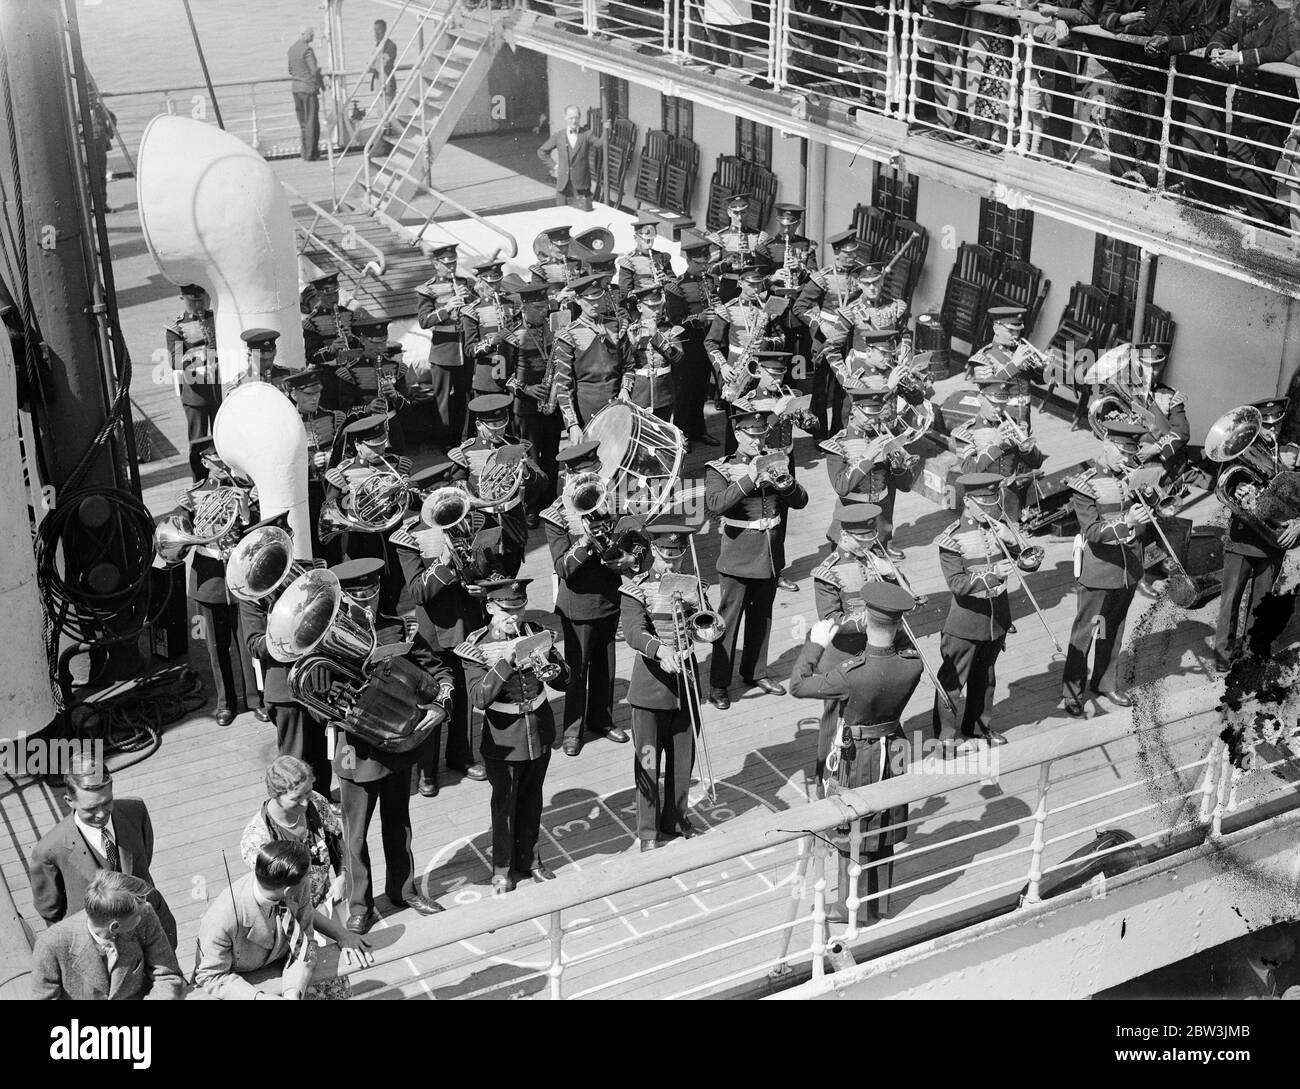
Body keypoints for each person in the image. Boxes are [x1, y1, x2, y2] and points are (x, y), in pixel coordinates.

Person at [330, 559, 453, 932]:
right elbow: (317, 695)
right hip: (357, 750)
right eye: (357, 596)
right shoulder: (330, 637)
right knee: (355, 836)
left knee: (399, 823)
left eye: (371, 594)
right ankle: (358, 904)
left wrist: (438, 704)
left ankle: (403, 890)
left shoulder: (400, 628)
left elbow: (440, 671)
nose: (366, 603)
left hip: (399, 743)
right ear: (345, 597)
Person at [789, 584, 923, 923]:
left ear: (864, 618)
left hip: (858, 754)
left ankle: (855, 908)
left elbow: (798, 684)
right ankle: (879, 902)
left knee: (854, 828)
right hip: (894, 745)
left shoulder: (850, 675)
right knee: (885, 822)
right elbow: (899, 644)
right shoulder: (912, 665)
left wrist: (815, 644)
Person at [457, 576, 572, 893]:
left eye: (519, 609)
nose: (515, 618)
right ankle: (502, 869)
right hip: (503, 738)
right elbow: (478, 698)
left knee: (533, 800)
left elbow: (565, 679)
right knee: (504, 806)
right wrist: (505, 663)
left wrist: (555, 671)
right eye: (508, 611)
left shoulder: (535, 633)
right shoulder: (476, 646)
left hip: (537, 729)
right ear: (490, 606)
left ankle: (531, 861)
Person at [392, 467, 493, 793]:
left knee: (463, 695)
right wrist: (445, 564)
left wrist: (483, 583)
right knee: (432, 696)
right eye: (437, 495)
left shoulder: (473, 521)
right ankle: (427, 770)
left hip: (469, 621)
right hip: (434, 630)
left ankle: (462, 755)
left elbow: (489, 566)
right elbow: (418, 591)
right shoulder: (408, 537)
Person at [705, 407, 810, 708]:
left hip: (770, 553)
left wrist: (788, 485)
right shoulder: (720, 469)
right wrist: (750, 478)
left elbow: (800, 502)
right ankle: (718, 683)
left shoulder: (778, 459)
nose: (758, 442)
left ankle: (755, 671)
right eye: (752, 437)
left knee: (761, 617)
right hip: (738, 555)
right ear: (738, 435)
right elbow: (715, 505)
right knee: (727, 621)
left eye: (761, 435)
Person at [618, 520, 709, 851]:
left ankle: (676, 817)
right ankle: (646, 832)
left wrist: (700, 614)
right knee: (648, 761)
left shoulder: (692, 584)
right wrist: (661, 651)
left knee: (682, 759)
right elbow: (633, 631)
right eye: (665, 556)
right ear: (654, 550)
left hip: (685, 683)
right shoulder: (636, 588)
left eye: (677, 556)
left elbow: (709, 626)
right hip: (650, 688)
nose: (671, 563)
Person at [541, 441, 633, 757]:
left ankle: (602, 720)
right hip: (577, 604)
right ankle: (573, 731)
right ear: (570, 476)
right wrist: (586, 540)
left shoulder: (612, 499)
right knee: (576, 672)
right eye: (583, 475)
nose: (591, 481)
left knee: (606, 665)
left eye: (594, 473)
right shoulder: (556, 514)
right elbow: (562, 567)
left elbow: (634, 539)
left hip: (609, 594)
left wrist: (627, 557)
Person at [29, 757, 177, 949]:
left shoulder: (135, 811)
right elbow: (50, 911)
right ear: (69, 801)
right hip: (99, 946)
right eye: (90, 808)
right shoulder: (49, 851)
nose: (101, 814)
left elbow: (144, 859)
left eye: (107, 803)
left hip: (151, 930)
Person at [195, 841, 374, 999]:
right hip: (237, 984)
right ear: (288, 891)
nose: (310, 881)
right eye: (307, 877)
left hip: (282, 966)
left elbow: (304, 946)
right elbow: (210, 976)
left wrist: (293, 992)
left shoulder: (297, 887)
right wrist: (259, 998)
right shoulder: (222, 919)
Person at [1061, 422, 1152, 717]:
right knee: (1087, 632)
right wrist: (1127, 521)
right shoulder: (1084, 484)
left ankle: (1104, 682)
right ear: (1107, 444)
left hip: (1127, 569)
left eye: (1131, 454)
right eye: (1122, 453)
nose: (1127, 460)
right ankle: (1073, 692)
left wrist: (1150, 498)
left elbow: (1150, 511)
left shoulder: (1133, 475)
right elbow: (1093, 531)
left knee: (1113, 630)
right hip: (1100, 571)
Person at [238, 516, 333, 794]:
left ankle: (323, 807)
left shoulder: (309, 573)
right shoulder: (252, 594)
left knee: (323, 760)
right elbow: (254, 644)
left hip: (318, 682)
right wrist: (287, 628)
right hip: (285, 689)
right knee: (294, 766)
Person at [932, 472, 1018, 752]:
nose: (990, 509)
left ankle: (978, 727)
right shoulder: (952, 539)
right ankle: (945, 735)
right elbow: (957, 583)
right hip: (965, 622)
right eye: (984, 503)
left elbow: (1026, 560)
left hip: (995, 619)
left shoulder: (999, 527)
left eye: (993, 502)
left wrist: (1014, 540)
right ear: (968, 501)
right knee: (953, 681)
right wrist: (993, 574)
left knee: (986, 677)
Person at [1214, 397, 1300, 670]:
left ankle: (1252, 651)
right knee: (1230, 598)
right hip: (1243, 539)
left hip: (1275, 541)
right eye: (1267, 424)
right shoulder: (1237, 452)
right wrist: (1239, 492)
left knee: (1261, 601)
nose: (1271, 431)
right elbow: (1224, 483)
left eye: (1276, 422)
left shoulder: (1293, 453)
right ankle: (1223, 655)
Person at [182, 440, 261, 726]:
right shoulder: (191, 497)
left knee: (246, 641)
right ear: (204, 462)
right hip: (210, 576)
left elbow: (256, 531)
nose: (221, 465)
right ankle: (225, 703)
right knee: (216, 647)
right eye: (215, 460)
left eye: (224, 459)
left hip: (240, 571)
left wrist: (245, 511)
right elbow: (181, 535)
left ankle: (255, 700)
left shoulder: (243, 490)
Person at [31, 872, 185, 1001]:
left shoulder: (145, 914)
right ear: (115, 927)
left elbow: (167, 975)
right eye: (137, 915)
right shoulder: (50, 944)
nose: (145, 911)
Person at [449, 393, 544, 575]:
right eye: (492, 428)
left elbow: (542, 483)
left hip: (513, 525)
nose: (498, 432)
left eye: (502, 425)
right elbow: (458, 489)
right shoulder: (466, 452)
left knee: (510, 572)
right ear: (478, 425)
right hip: (482, 524)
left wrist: (525, 470)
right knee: (486, 576)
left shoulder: (516, 445)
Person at [820, 378, 915, 559]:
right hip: (852, 520)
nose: (874, 419)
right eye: (869, 414)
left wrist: (898, 467)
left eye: (877, 414)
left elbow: (905, 486)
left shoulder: (883, 438)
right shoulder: (837, 444)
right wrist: (866, 458)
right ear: (855, 411)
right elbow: (841, 487)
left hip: (881, 522)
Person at [240, 756, 343, 910]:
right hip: (288, 919)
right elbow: (270, 892)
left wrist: (343, 877)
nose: (305, 803)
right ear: (275, 794)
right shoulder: (257, 840)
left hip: (325, 904)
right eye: (296, 798)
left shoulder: (316, 802)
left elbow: (339, 842)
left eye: (307, 792)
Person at [952, 362, 1047, 522]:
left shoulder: (1014, 424)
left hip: (1011, 501)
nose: (998, 409)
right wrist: (995, 443)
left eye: (1002, 404)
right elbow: (968, 471)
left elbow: (1037, 463)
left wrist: (1025, 448)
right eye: (993, 403)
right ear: (981, 398)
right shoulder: (967, 431)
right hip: (981, 502)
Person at [502, 275, 562, 524]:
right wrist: (526, 388)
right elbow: (500, 376)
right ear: (524, 308)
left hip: (552, 402)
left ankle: (550, 504)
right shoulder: (511, 335)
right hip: (526, 407)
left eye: (546, 305)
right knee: (531, 460)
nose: (545, 311)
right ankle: (531, 508)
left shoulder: (554, 330)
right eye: (538, 308)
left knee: (552, 456)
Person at [795, 230, 866, 435]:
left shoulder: (860, 274)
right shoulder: (822, 278)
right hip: (825, 340)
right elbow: (800, 307)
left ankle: (839, 432)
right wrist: (821, 326)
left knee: (844, 387)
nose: (852, 257)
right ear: (836, 253)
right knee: (821, 388)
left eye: (854, 252)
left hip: (849, 339)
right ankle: (817, 432)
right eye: (847, 253)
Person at [551, 273, 626, 444]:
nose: (595, 304)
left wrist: (625, 390)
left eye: (598, 298)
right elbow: (563, 386)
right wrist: (572, 424)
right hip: (588, 411)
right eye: (589, 300)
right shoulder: (568, 335)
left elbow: (628, 366)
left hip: (619, 405)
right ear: (577, 299)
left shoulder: (616, 326)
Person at [415, 243, 475, 448]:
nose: (452, 266)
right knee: (443, 401)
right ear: (436, 263)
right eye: (447, 263)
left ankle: (464, 438)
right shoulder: (427, 289)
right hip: (443, 351)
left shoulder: (464, 282)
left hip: (464, 349)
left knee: (464, 396)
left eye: (454, 262)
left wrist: (470, 301)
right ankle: (446, 442)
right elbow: (424, 321)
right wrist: (447, 308)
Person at [165, 284, 222, 483]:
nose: (198, 304)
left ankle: (226, 478)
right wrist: (197, 362)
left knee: (224, 438)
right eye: (193, 300)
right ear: (184, 299)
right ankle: (200, 481)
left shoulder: (218, 318)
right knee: (198, 442)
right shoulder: (176, 326)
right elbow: (175, 358)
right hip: (195, 393)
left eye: (201, 299)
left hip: (219, 391)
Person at [674, 234, 722, 447]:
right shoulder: (676, 286)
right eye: (699, 264)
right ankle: (682, 435)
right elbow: (675, 319)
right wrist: (698, 318)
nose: (704, 268)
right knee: (685, 392)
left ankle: (699, 430)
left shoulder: (710, 281)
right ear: (689, 261)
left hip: (707, 341)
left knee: (701, 389)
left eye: (706, 263)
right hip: (688, 344)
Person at [621, 285, 684, 421]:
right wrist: (633, 345)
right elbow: (623, 364)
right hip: (639, 392)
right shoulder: (630, 331)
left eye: (659, 306)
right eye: (652, 307)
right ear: (639, 308)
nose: (657, 311)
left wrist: (656, 336)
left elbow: (678, 357)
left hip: (664, 393)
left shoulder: (670, 329)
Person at [537, 105, 604, 210]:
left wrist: (606, 130)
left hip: (581, 185)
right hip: (563, 186)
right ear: (565, 117)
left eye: (576, 118)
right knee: (562, 217)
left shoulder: (586, 134)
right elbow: (542, 151)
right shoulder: (559, 136)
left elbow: (599, 144)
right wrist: (555, 166)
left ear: (580, 117)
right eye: (571, 118)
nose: (574, 121)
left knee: (582, 218)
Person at [288, 26, 325, 162]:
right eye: (311, 34)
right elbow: (314, 70)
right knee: (311, 121)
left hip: (296, 89)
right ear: (303, 34)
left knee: (302, 122)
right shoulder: (307, 50)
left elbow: (290, 70)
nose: (313, 36)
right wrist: (321, 84)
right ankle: (311, 154)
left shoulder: (292, 49)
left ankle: (304, 152)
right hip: (308, 89)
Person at [367, 18, 398, 109]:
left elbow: (384, 64)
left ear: (385, 30)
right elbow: (371, 65)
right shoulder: (377, 46)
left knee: (388, 112)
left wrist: (374, 64)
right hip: (378, 81)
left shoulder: (390, 45)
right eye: (375, 30)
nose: (376, 33)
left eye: (379, 30)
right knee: (380, 112)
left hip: (387, 83)